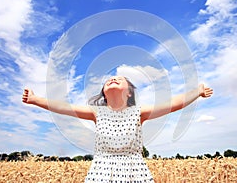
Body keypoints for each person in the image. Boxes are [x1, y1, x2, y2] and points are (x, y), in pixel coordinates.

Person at [22, 76, 213, 182]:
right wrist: (36, 100)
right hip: (101, 172)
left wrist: (197, 91)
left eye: (119, 79)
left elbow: (173, 103)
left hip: (134, 171)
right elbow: (65, 108)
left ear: (129, 92)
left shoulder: (139, 111)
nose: (113, 79)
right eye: (108, 80)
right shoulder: (96, 112)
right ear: (104, 93)